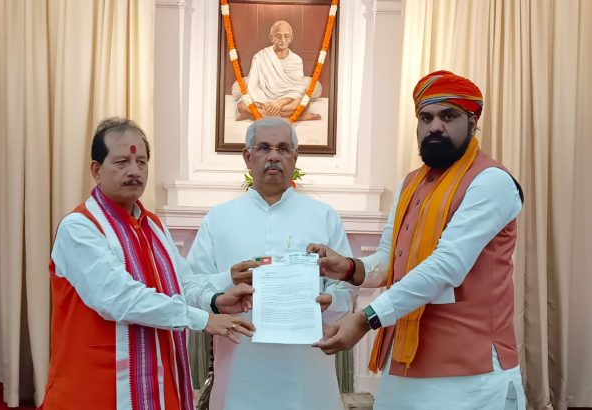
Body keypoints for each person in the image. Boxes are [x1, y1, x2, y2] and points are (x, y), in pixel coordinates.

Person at [308, 70, 527, 409]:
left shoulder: (491, 182)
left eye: (448, 116)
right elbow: (389, 259)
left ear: (473, 122)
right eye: (426, 118)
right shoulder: (410, 183)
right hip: (406, 364)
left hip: (472, 374)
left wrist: (366, 318)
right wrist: (349, 267)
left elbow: (446, 266)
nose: (434, 126)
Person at [42, 118, 255, 410]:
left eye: (141, 162)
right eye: (122, 162)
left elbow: (182, 283)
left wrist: (218, 296)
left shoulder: (152, 225)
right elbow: (120, 298)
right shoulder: (79, 227)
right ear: (96, 170)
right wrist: (203, 320)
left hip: (154, 377)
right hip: (96, 384)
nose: (134, 171)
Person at [186, 117, 357, 410]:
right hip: (240, 367)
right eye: (264, 148)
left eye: (283, 148)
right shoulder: (219, 218)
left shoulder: (324, 216)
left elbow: (347, 286)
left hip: (307, 370)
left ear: (295, 157)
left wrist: (331, 301)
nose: (274, 156)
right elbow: (190, 287)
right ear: (247, 157)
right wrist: (228, 281)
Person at [236, 20, 321, 121]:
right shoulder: (260, 57)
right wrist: (266, 104)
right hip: (264, 100)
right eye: (278, 36)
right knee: (242, 106)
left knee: (305, 102)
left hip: (286, 101)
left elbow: (298, 89)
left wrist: (279, 104)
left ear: (291, 38)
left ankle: (257, 115)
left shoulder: (296, 60)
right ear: (271, 37)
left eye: (286, 36)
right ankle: (296, 117)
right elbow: (252, 86)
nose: (283, 40)